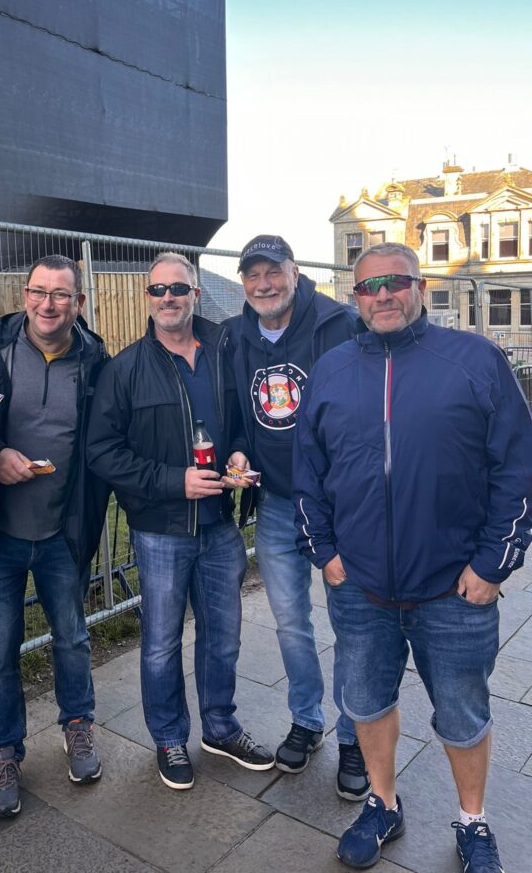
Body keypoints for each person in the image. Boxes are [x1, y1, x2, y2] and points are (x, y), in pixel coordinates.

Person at [293, 243, 532, 872]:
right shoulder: (333, 370)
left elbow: (517, 467)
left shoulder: (474, 360)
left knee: (462, 713)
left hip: (454, 589)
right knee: (367, 703)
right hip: (360, 588)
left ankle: (473, 821)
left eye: (395, 282)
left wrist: (493, 565)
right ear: (354, 298)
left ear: (420, 286)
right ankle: (383, 803)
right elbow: (307, 473)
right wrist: (326, 555)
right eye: (368, 287)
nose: (382, 296)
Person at [87, 252, 275, 790]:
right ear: (147, 298)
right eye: (158, 290)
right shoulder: (125, 369)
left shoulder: (224, 351)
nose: (167, 298)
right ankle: (169, 736)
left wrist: (238, 452)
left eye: (178, 288)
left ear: (195, 293)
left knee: (223, 637)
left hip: (219, 524)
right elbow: (102, 452)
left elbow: (244, 421)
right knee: (162, 643)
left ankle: (220, 727)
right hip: (160, 529)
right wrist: (175, 481)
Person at [0, 254, 110, 817]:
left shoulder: (95, 361)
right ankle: (5, 750)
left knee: (73, 640)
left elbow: (109, 438)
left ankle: (78, 726)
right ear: (24, 294)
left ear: (77, 303)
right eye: (39, 292)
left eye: (60, 294)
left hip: (63, 530)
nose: (47, 304)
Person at [224, 234, 368, 800]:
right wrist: (239, 450)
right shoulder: (236, 335)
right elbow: (238, 414)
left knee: (352, 623)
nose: (263, 285)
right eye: (252, 275)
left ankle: (356, 734)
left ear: (294, 271)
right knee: (290, 621)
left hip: (340, 507)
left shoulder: (340, 324)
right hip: (278, 503)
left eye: (273, 272)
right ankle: (306, 719)